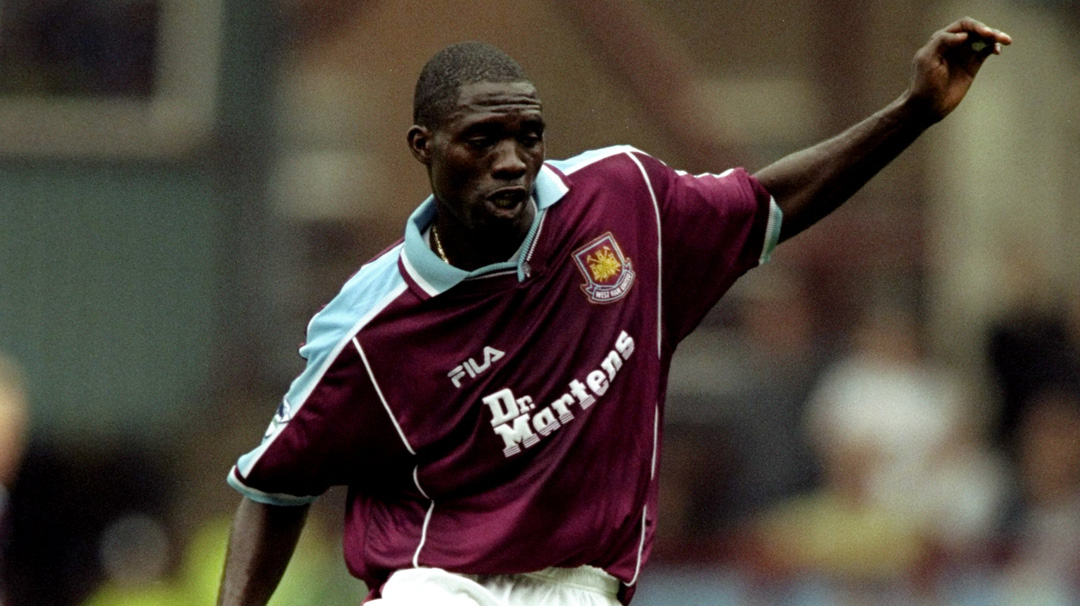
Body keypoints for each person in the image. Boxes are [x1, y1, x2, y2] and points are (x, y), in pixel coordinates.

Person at [218, 18, 1011, 606]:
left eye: (528, 136)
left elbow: (771, 204)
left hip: (581, 586)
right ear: (423, 145)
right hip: (438, 584)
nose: (512, 161)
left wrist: (915, 110)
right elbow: (274, 486)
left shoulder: (624, 203)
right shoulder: (370, 325)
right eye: (481, 139)